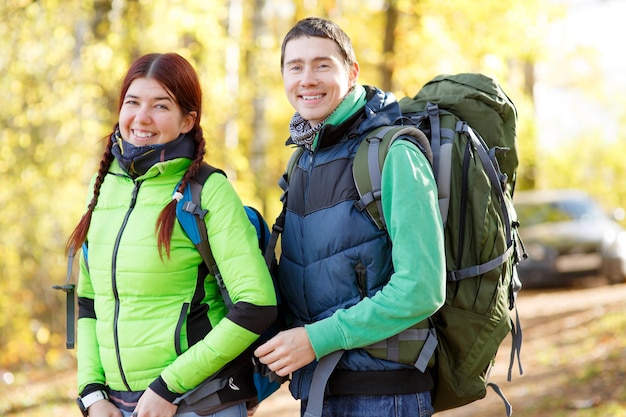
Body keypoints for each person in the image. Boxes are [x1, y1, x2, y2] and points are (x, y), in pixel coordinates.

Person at [66, 52, 277, 417]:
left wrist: (169, 387)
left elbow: (256, 306)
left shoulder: (207, 190)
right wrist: (91, 392)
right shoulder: (102, 189)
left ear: (187, 121)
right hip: (117, 406)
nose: (141, 118)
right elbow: (88, 299)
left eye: (160, 106)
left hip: (199, 402)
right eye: (132, 102)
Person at [254, 17, 446, 417]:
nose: (308, 78)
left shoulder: (393, 155)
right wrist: (255, 389)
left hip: (386, 395)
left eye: (323, 65)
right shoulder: (302, 162)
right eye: (296, 66)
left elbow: (423, 287)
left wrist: (317, 339)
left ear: (352, 72)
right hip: (319, 392)